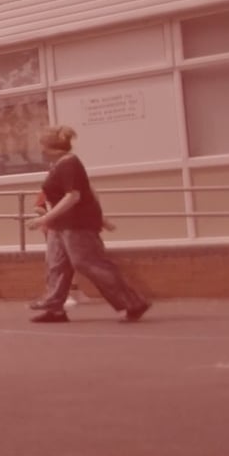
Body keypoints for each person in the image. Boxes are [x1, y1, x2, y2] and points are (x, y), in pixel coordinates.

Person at [26, 125, 151, 324]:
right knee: (56, 264)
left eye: (41, 145)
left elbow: (74, 196)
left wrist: (44, 219)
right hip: (60, 224)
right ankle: (54, 308)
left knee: (88, 262)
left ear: (49, 147)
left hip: (77, 224)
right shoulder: (58, 165)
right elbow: (85, 191)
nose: (39, 150)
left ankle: (133, 302)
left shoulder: (70, 164)